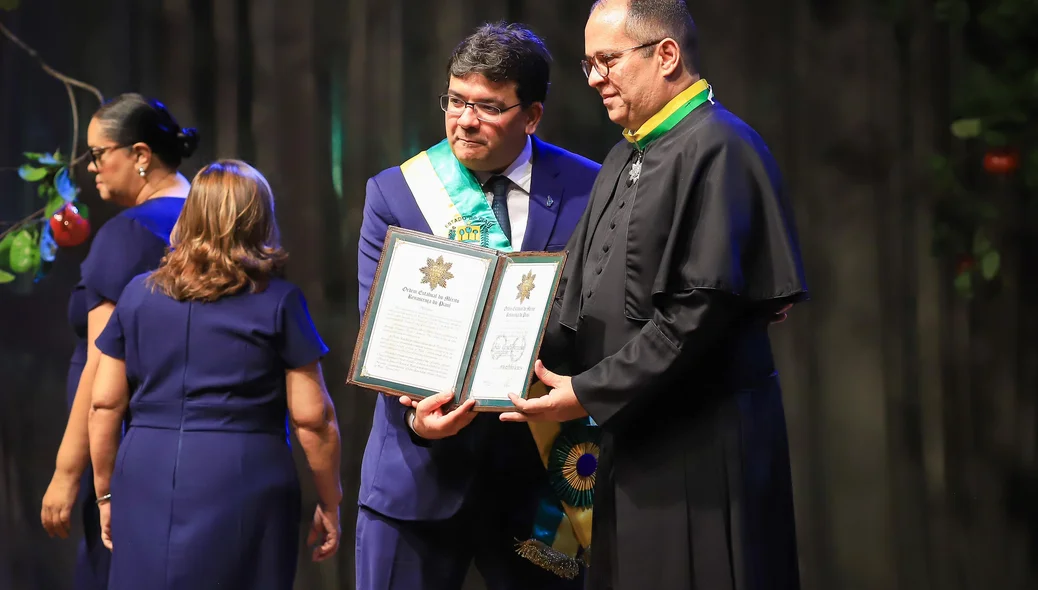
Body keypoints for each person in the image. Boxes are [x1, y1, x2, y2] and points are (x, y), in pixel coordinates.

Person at [500, 1, 808, 589]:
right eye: (587, 63)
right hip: (635, 436)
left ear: (666, 55)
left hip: (703, 447)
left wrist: (586, 393)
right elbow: (572, 285)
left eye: (607, 60)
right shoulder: (625, 153)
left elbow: (700, 312)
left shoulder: (721, 147)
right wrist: (492, 360)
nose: (592, 78)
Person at [355, 22, 601, 590]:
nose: (465, 120)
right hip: (415, 474)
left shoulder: (590, 187)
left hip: (542, 480)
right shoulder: (396, 193)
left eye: (487, 107)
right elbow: (383, 324)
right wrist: (418, 411)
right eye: (455, 101)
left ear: (532, 115)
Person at [86, 159, 342, 590]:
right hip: (244, 475)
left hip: (145, 471)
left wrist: (106, 493)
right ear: (259, 219)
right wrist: (331, 501)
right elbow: (312, 419)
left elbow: (104, 403)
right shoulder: (280, 302)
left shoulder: (136, 294)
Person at [40, 93, 199, 590]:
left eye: (96, 154)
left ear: (140, 155)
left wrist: (68, 471)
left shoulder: (128, 234)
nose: (91, 168)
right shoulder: (214, 225)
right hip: (191, 452)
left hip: (122, 452)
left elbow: (98, 363)